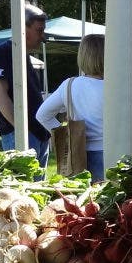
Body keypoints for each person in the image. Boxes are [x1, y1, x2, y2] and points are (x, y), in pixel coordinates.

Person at [36, 33, 106, 182]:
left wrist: (66, 134)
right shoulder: (115, 86)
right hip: (111, 152)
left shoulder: (69, 84)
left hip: (77, 154)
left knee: (82, 202)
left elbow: (42, 115)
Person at [0, 3, 50, 172]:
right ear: (23, 28)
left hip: (39, 134)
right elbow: (0, 95)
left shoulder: (25, 56)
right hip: (21, 136)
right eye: (39, 30)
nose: (43, 37)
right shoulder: (3, 53)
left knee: (38, 192)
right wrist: (21, 133)